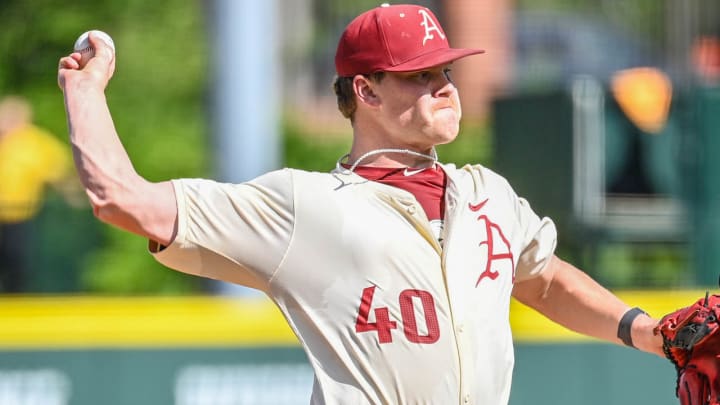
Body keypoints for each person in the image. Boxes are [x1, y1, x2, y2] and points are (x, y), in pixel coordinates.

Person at [58, 4, 666, 404]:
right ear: (366, 90)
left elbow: (543, 279)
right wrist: (85, 92)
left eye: (444, 71)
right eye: (419, 76)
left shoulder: (489, 193)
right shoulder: (304, 205)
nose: (443, 86)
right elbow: (123, 200)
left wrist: (648, 332)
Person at [0, 96, 76, 292]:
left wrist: (73, 195)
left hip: (20, 216)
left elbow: (60, 171)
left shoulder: (35, 143)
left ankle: (14, 301)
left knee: (16, 261)